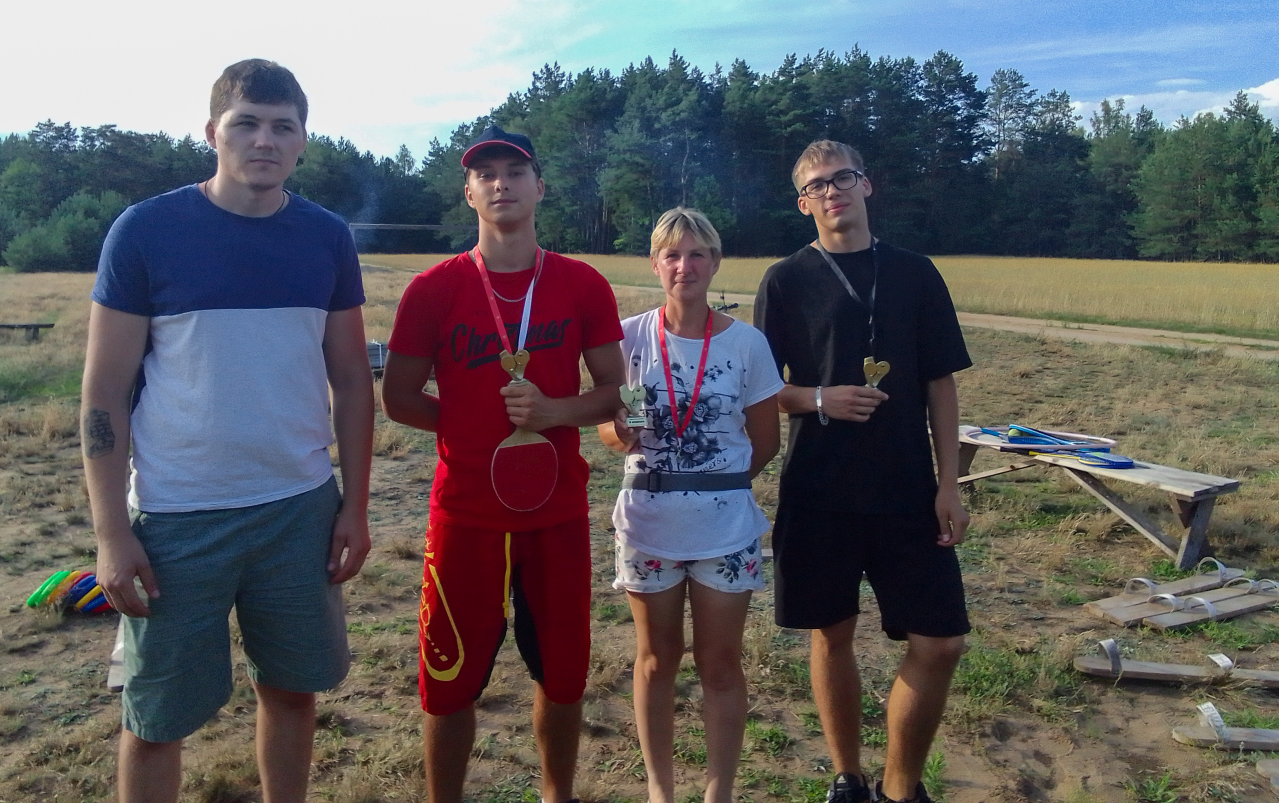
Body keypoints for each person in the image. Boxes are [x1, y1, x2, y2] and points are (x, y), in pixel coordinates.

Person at [82, 59, 374, 803]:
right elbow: (105, 393)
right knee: (156, 717)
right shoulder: (146, 231)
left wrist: (355, 506)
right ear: (212, 132)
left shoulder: (326, 238)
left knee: (293, 691)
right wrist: (112, 534)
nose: (264, 140)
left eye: (282, 126)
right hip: (177, 518)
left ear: (303, 140)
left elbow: (350, 381)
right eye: (246, 123)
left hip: (298, 510)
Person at [382, 124, 625, 803]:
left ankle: (557, 795)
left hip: (556, 513)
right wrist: (467, 426)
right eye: (484, 174)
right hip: (465, 514)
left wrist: (553, 412)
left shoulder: (580, 284)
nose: (500, 184)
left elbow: (614, 391)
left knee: (564, 675)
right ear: (468, 193)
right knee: (448, 679)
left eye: (514, 172)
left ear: (539, 187)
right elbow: (398, 398)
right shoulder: (433, 289)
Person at [753, 140, 972, 803]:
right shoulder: (785, 280)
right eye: (816, 186)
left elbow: (940, 383)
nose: (831, 192)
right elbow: (761, 390)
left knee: (941, 643)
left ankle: (901, 787)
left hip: (907, 489)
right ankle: (847, 777)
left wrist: (948, 484)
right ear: (803, 204)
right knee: (832, 633)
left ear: (866, 186)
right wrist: (821, 398)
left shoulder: (915, 273)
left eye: (841, 178)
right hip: (819, 489)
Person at [599, 207, 782, 803]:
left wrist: (714, 485)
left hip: (725, 529)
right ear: (655, 264)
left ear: (715, 262)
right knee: (656, 661)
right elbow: (606, 426)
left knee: (720, 665)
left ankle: (718, 791)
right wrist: (619, 434)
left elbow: (766, 440)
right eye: (672, 255)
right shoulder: (626, 337)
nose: (685, 266)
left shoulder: (747, 343)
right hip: (647, 525)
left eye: (697, 254)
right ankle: (660, 789)